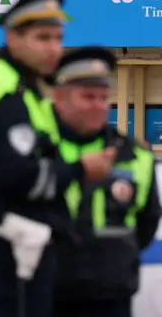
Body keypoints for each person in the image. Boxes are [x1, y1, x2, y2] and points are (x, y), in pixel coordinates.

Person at [0, 0, 117, 317]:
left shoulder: (24, 87)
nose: (54, 48)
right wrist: (81, 169)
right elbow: (19, 177)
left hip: (26, 244)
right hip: (16, 246)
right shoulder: (7, 94)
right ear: (13, 39)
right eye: (42, 38)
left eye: (58, 38)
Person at [49, 47, 162, 317]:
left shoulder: (133, 155)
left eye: (103, 97)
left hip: (110, 295)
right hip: (45, 292)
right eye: (87, 97)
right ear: (59, 98)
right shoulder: (39, 148)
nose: (98, 105)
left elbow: (147, 222)